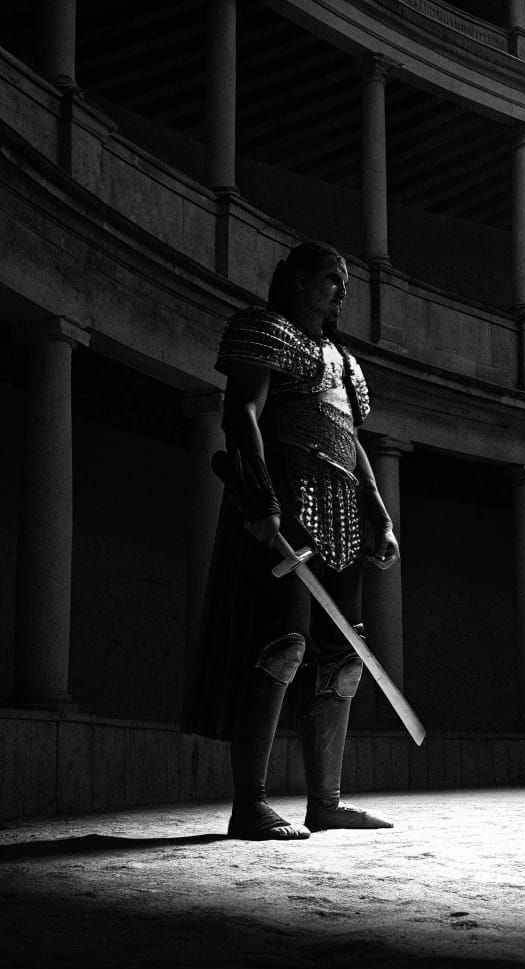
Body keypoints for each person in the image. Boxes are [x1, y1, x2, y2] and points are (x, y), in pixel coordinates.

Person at [185, 240, 399, 841]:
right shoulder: (266, 330)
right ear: (298, 280)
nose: (340, 291)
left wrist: (380, 516)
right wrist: (262, 500)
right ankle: (248, 804)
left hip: (343, 516)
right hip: (286, 500)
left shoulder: (344, 361)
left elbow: (351, 441)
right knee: (281, 646)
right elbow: (242, 415)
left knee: (342, 662)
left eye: (345, 283)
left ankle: (325, 802)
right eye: (331, 278)